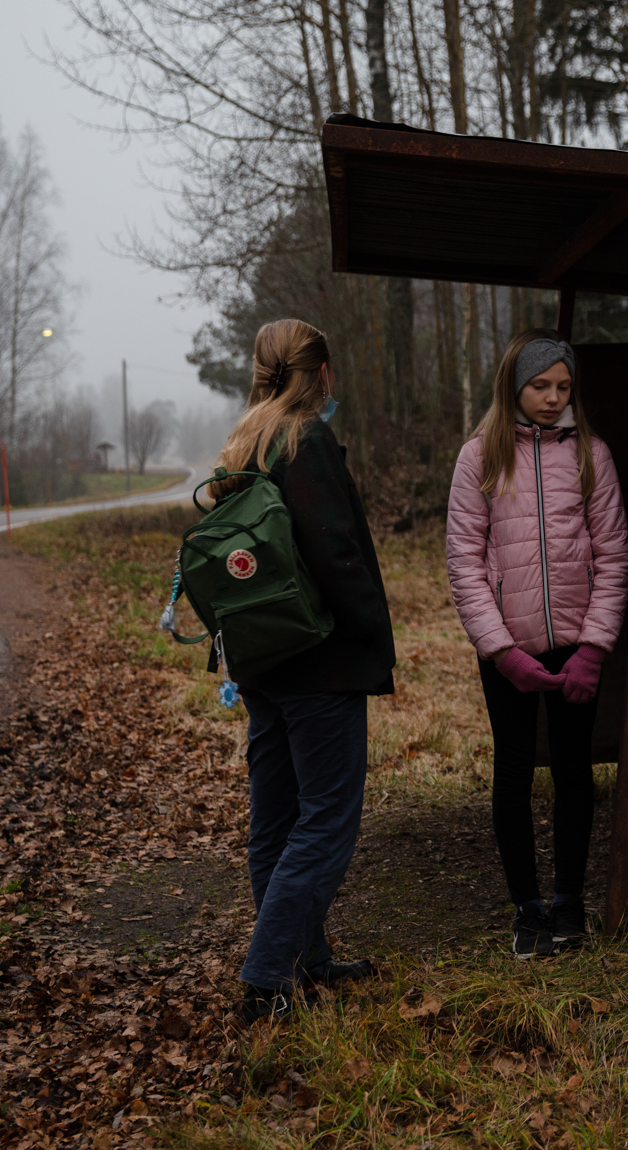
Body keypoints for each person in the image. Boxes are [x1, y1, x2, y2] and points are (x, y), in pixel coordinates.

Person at [211, 319, 396, 1023]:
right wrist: (372, 634)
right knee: (325, 820)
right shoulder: (304, 441)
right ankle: (267, 974)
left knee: (279, 820)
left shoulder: (243, 442)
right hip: (319, 662)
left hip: (265, 660)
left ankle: (304, 957)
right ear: (322, 374)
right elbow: (335, 555)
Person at [445, 329, 628, 959]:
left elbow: (614, 556)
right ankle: (527, 910)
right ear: (513, 387)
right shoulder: (480, 458)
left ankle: (570, 902)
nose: (552, 398)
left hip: (576, 648)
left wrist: (594, 648)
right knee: (515, 770)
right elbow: (464, 564)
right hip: (509, 651)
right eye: (539, 385)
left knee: (575, 774)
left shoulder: (591, 456)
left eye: (563, 387)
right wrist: (501, 651)